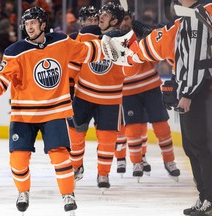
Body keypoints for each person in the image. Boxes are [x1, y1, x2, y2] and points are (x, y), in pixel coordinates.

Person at [0, 6, 114, 215]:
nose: (29, 27)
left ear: (43, 24)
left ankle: (68, 195)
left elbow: (87, 52)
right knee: (18, 159)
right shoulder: (15, 51)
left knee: (61, 157)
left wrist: (113, 43)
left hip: (54, 111)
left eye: (33, 23)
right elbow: (1, 78)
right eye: (26, 24)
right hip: (24, 114)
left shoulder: (61, 42)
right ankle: (23, 192)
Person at [118, 0, 212, 215]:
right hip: (196, 89)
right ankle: (204, 197)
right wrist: (142, 28)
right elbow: (175, 41)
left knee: (201, 147)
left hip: (199, 92)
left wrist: (186, 92)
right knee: (193, 148)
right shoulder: (191, 16)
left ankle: (209, 199)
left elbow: (196, 60)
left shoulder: (196, 16)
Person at [68, 2, 140, 189]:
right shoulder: (87, 33)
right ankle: (76, 167)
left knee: (107, 138)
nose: (100, 16)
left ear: (115, 20)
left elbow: (130, 71)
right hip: (83, 94)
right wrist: (69, 83)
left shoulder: (127, 39)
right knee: (75, 134)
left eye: (106, 15)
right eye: (101, 13)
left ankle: (103, 174)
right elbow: (76, 59)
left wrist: (128, 56)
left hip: (110, 98)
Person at [113, 10, 180, 181]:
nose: (125, 23)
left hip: (151, 86)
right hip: (128, 92)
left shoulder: (140, 34)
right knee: (134, 130)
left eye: (127, 18)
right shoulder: (112, 40)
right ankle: (137, 162)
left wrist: (148, 35)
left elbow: (158, 56)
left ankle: (170, 161)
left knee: (162, 127)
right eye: (122, 19)